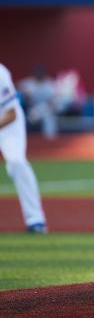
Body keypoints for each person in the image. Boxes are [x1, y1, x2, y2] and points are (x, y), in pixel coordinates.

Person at [0, 63, 48, 233]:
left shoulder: (1, 73)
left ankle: (35, 220)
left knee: (16, 162)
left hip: (7, 123)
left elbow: (11, 114)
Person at [19, 64, 58, 139]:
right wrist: (25, 94)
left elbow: (53, 100)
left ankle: (50, 139)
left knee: (48, 116)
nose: (39, 75)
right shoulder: (29, 83)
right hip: (31, 109)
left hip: (45, 109)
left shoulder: (49, 83)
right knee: (35, 114)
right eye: (37, 73)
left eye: (41, 73)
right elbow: (17, 86)